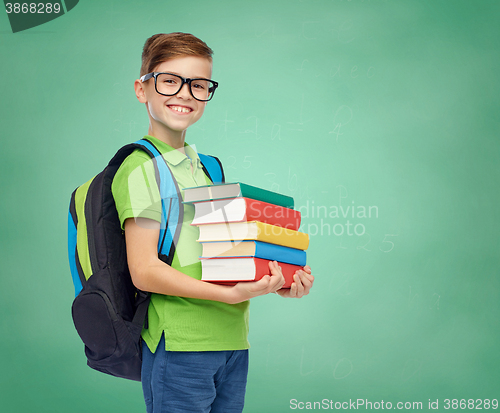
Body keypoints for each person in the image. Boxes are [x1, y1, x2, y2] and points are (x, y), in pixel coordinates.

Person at [111, 32, 314, 413]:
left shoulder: (208, 169)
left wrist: (276, 282)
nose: (185, 94)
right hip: (182, 345)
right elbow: (144, 271)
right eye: (170, 81)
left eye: (198, 85)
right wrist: (229, 295)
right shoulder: (141, 169)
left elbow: (221, 258)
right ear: (142, 89)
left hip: (233, 341)